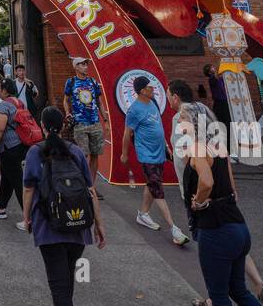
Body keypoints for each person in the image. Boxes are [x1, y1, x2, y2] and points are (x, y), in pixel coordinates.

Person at [179, 111, 263, 306]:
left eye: (182, 118)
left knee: (218, 296)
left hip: (216, 230)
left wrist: (199, 202)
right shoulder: (218, 146)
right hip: (238, 226)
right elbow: (232, 188)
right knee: (239, 291)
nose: (178, 122)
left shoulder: (197, 148)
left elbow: (207, 181)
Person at [22, 106, 106, 306]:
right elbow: (90, 190)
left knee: (59, 287)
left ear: (42, 126)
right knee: (66, 282)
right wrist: (99, 224)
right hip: (78, 227)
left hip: (49, 228)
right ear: (62, 126)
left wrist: (27, 218)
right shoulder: (76, 151)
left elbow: (28, 189)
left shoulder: (35, 151)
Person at [121, 76, 189, 246]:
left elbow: (158, 127)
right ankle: (174, 229)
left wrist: (167, 147)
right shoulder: (134, 110)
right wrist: (124, 154)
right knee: (157, 188)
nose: (153, 89)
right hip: (146, 154)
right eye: (150, 88)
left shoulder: (153, 104)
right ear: (142, 90)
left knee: (152, 183)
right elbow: (126, 134)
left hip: (159, 151)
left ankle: (142, 214)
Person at [0, 80, 29, 227]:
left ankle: (29, 218)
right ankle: (0, 207)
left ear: (4, 91)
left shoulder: (3, 105)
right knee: (7, 178)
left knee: (17, 181)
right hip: (20, 145)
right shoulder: (19, 102)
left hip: (8, 148)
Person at [63, 57, 109, 197]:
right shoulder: (71, 82)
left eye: (86, 64)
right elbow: (66, 100)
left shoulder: (93, 82)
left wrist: (105, 120)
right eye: (82, 64)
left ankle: (91, 186)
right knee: (83, 155)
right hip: (80, 124)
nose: (85, 66)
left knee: (95, 155)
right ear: (76, 67)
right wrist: (68, 113)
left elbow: (99, 102)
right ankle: (80, 184)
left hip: (95, 123)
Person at [204, 63, 231, 144]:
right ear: (209, 72)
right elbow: (215, 77)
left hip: (225, 102)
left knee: (228, 122)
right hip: (219, 103)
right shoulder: (212, 79)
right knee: (223, 123)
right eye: (212, 67)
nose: (214, 68)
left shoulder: (220, 79)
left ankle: (230, 141)